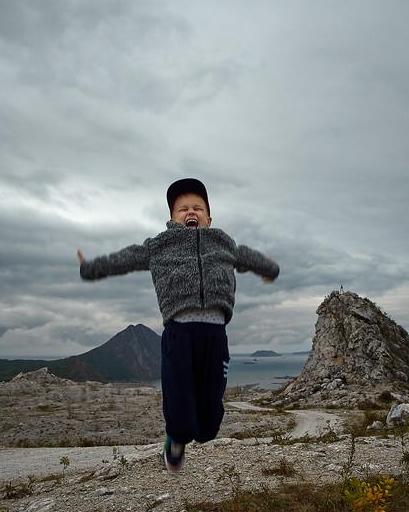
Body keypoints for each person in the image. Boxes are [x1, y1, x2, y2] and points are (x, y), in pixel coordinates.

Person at [78, 178, 279, 472]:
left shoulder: (223, 242)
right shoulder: (160, 244)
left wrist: (269, 268)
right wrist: (90, 268)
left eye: (198, 207)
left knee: (209, 427)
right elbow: (126, 258)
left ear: (209, 218)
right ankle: (175, 440)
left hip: (215, 336)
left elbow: (250, 257)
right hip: (179, 334)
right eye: (182, 208)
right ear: (172, 219)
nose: (190, 212)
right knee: (182, 419)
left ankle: (195, 432)